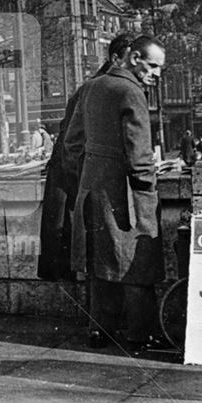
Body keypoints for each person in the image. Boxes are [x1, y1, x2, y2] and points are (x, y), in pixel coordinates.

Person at [63, 35, 168, 354]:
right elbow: (139, 157)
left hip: (93, 190)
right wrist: (148, 184)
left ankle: (100, 331)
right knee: (138, 262)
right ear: (134, 58)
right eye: (152, 66)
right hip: (126, 194)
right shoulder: (131, 91)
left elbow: (71, 143)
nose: (156, 74)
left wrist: (93, 173)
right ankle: (140, 334)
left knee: (100, 263)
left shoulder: (91, 87)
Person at [39, 34, 133, 283]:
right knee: (84, 255)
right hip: (72, 179)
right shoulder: (98, 90)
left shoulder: (100, 86)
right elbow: (72, 146)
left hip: (76, 175)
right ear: (116, 59)